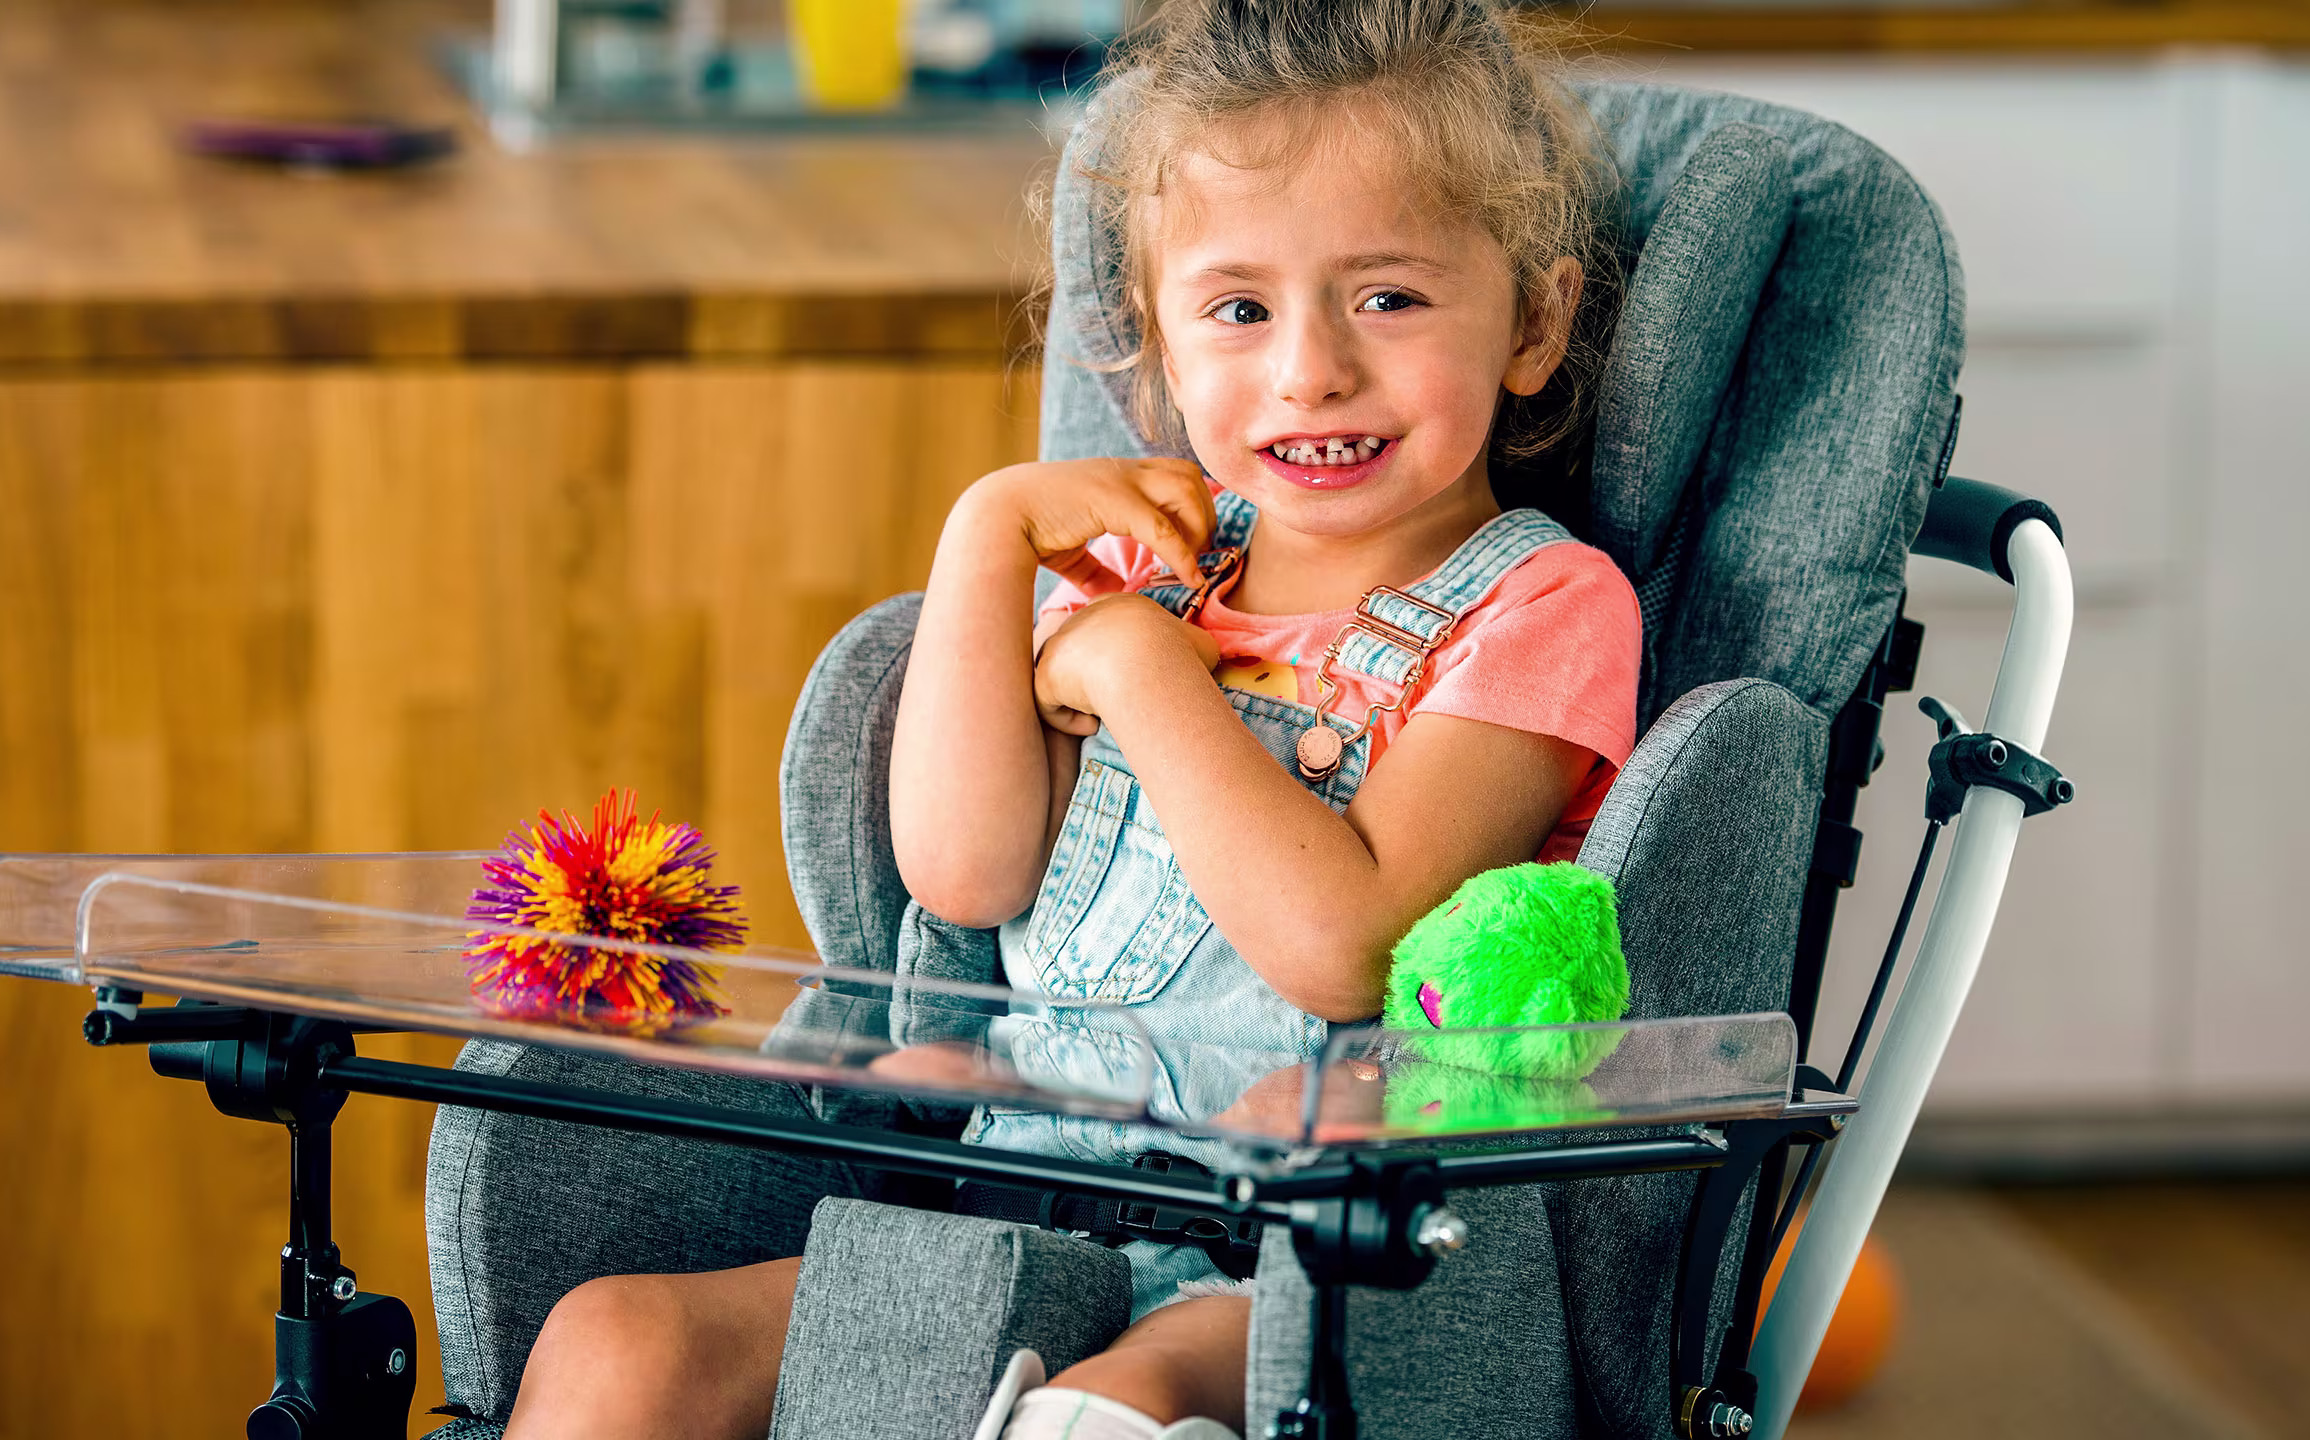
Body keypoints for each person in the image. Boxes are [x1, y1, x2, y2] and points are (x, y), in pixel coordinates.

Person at [507, 1, 1638, 1435]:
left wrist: (1140, 676)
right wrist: (990, 535)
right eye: (1240, 309)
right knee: (620, 1344)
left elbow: (1345, 946)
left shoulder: (1541, 608)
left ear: (1533, 322)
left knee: (1120, 1401)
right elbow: (966, 872)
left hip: (1301, 1263)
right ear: (1159, 354)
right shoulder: (1137, 577)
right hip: (1024, 1200)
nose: (1311, 372)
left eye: (1390, 298)